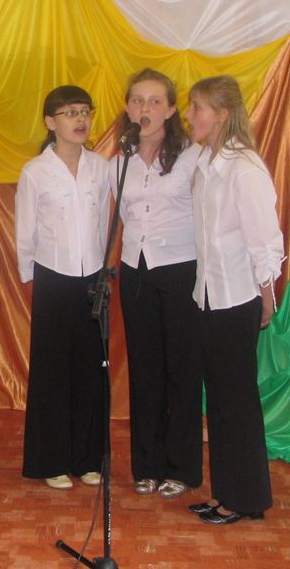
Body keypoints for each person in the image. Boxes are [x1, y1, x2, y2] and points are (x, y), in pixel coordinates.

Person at [184, 75, 282, 525]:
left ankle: (246, 499)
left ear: (222, 115)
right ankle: (227, 493)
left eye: (197, 107)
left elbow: (265, 238)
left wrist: (266, 295)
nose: (190, 115)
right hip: (209, 297)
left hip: (237, 298)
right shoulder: (206, 162)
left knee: (236, 401)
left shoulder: (244, 168)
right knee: (221, 401)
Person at [111, 69, 203, 498]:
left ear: (170, 110)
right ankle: (146, 466)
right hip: (136, 269)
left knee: (181, 369)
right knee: (144, 369)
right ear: (128, 108)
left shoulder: (191, 155)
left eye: (154, 101)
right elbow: (125, 216)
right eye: (137, 100)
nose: (144, 108)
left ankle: (181, 468)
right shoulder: (120, 159)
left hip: (180, 268)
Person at [16, 85, 109, 489]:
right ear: (50, 122)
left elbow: (105, 223)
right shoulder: (35, 171)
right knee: (52, 371)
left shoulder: (101, 167)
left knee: (90, 368)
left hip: (92, 279)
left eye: (85, 111)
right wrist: (30, 278)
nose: (80, 120)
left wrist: (102, 271)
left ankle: (87, 459)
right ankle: (51, 460)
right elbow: (25, 231)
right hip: (52, 277)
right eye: (70, 113)